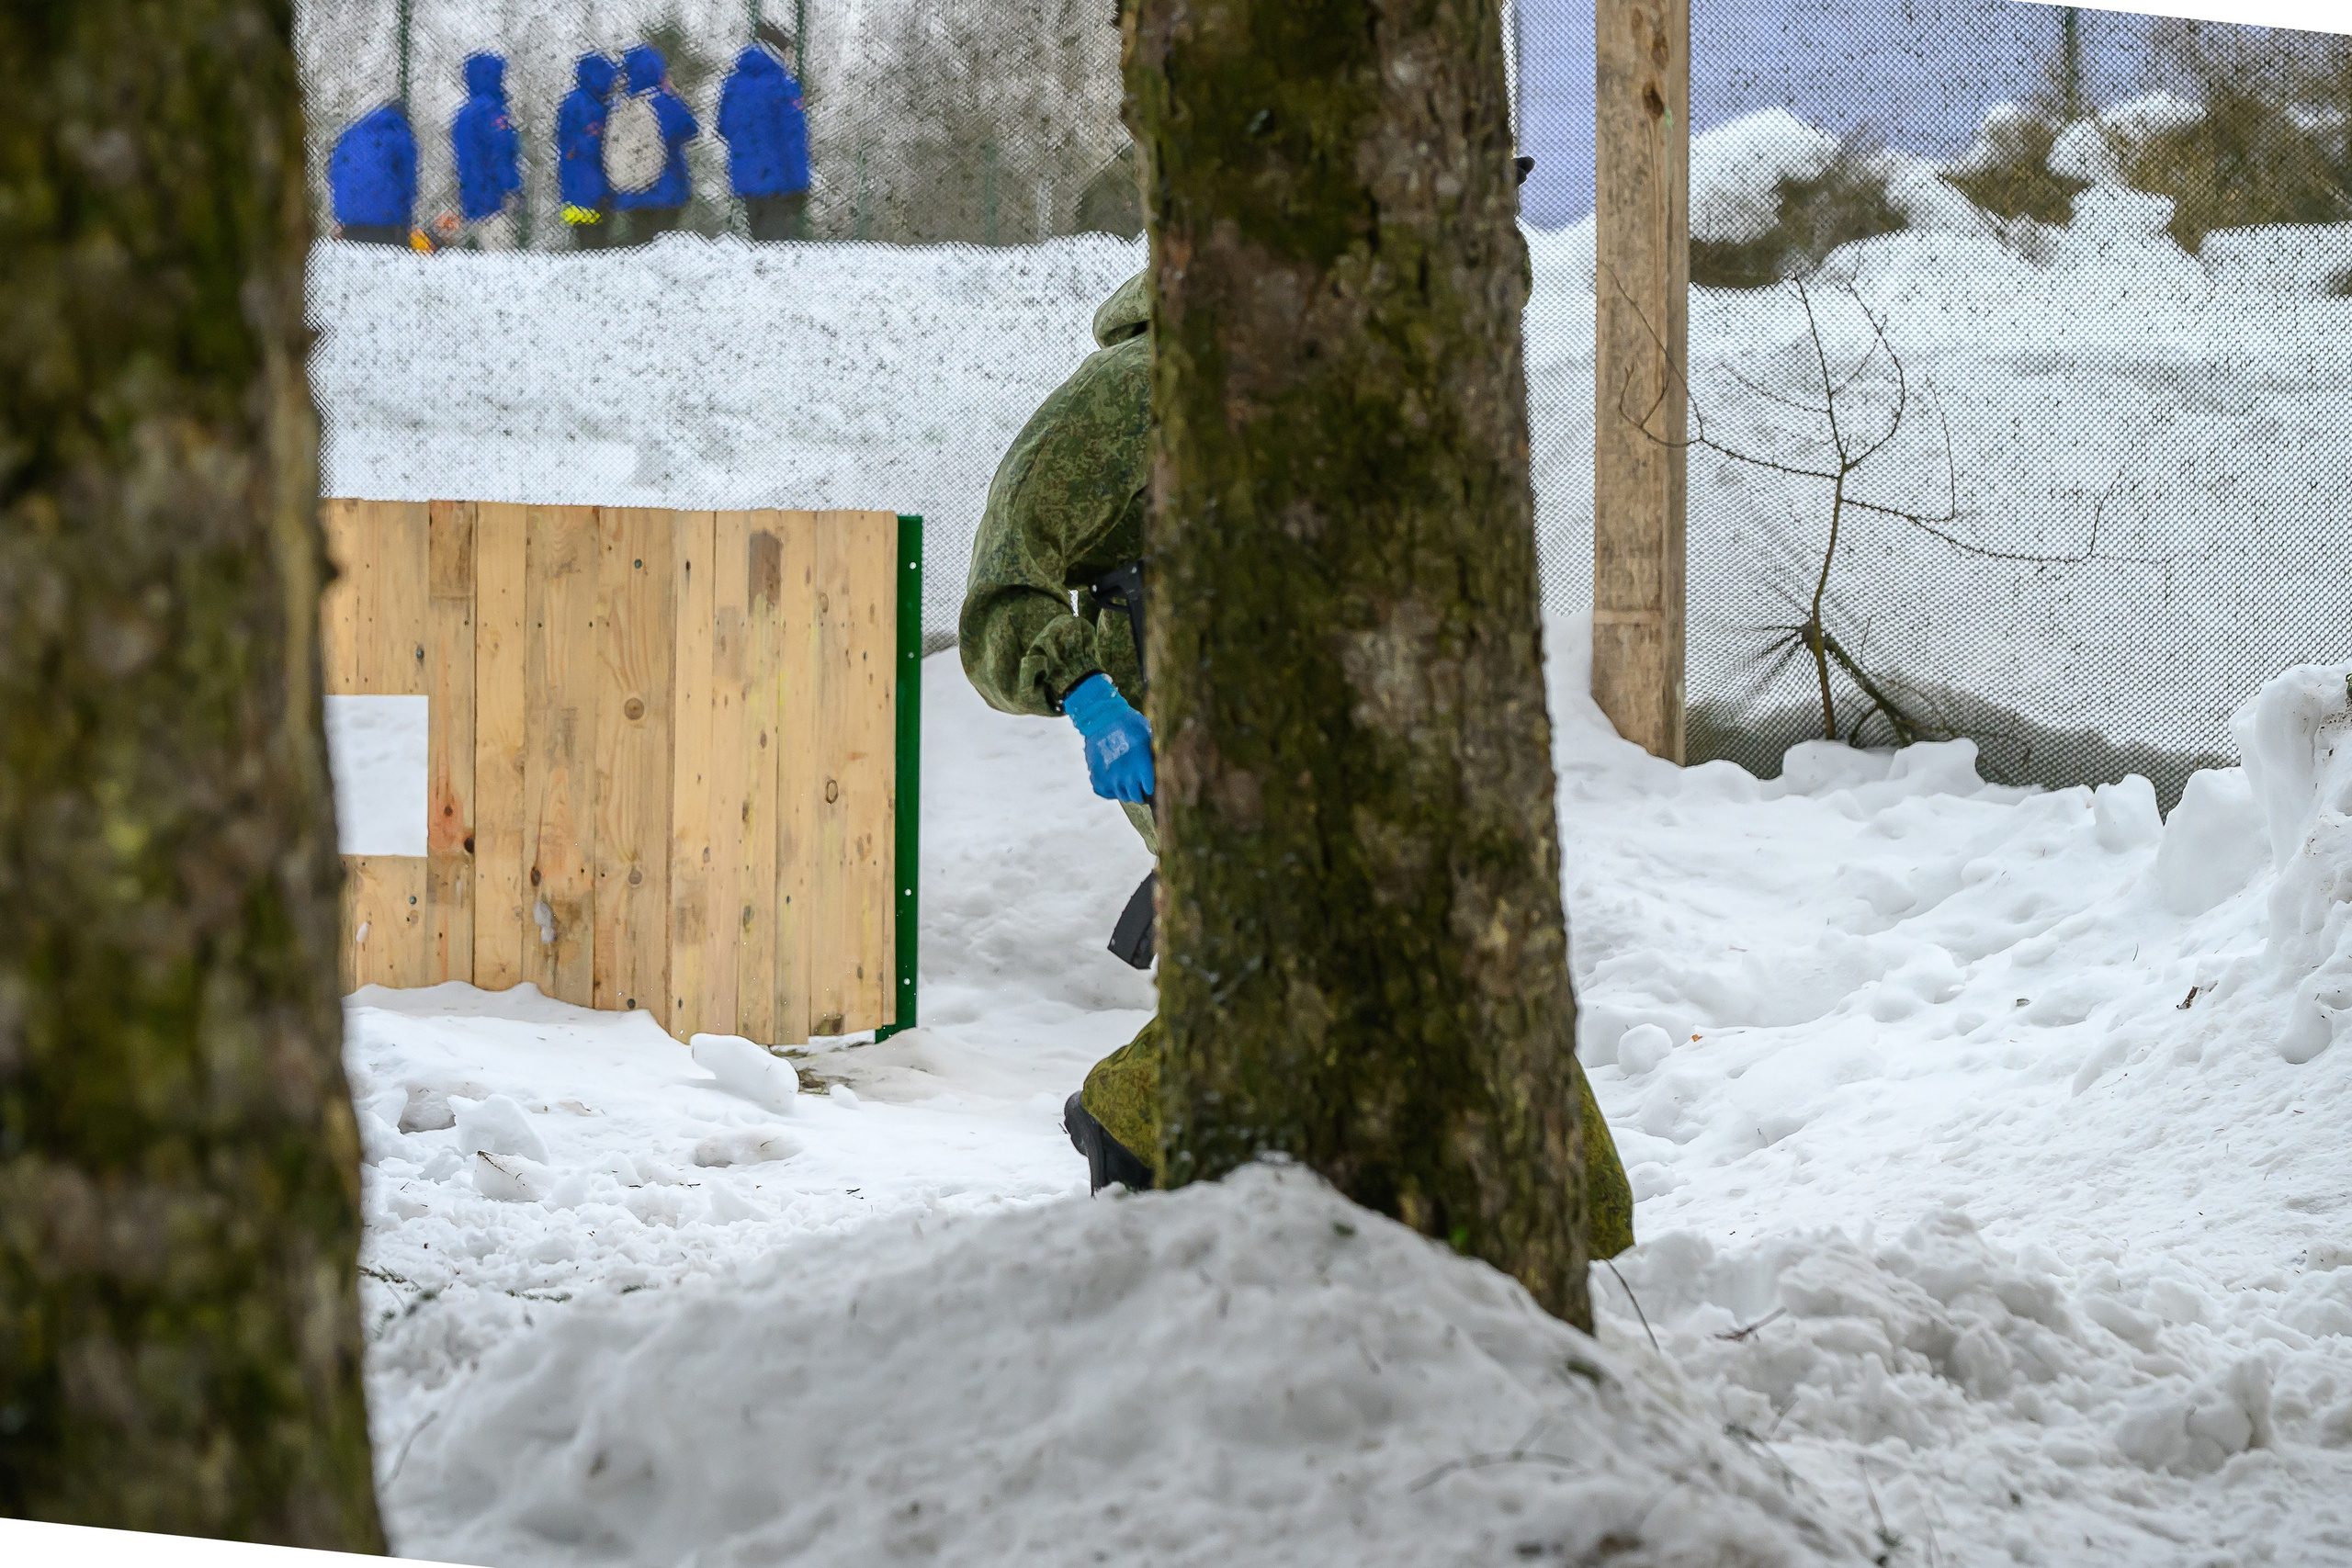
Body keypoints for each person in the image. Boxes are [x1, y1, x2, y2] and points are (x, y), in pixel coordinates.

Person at [958, 182, 1636, 1255]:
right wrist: (1088, 698)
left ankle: (1559, 1220)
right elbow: (1005, 583)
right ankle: (1144, 1128)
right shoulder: (1143, 387)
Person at [718, 37, 811, 242]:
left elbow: (724, 127)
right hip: (780, 179)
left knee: (758, 236)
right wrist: (801, 183)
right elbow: (794, 137)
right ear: (777, 52)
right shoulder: (783, 85)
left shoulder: (733, 85)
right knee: (777, 243)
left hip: (746, 177)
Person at [605, 44, 698, 242]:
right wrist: (672, 94)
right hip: (666, 187)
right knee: (664, 243)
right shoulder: (664, 102)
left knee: (640, 240)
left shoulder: (620, 105)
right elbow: (690, 128)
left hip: (631, 189)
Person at [450, 52, 523, 250]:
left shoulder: (465, 113)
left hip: (472, 197)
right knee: (500, 256)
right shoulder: (492, 111)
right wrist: (510, 188)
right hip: (494, 198)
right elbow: (500, 153)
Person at [328, 102, 417, 246]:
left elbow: (335, 172)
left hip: (351, 221)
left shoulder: (351, 135)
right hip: (387, 223)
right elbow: (408, 180)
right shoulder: (401, 136)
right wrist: (408, 219)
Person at [558, 52, 621, 248]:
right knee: (591, 242)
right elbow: (578, 142)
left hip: (586, 186)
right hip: (584, 187)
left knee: (596, 240)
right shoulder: (580, 103)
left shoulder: (599, 102)